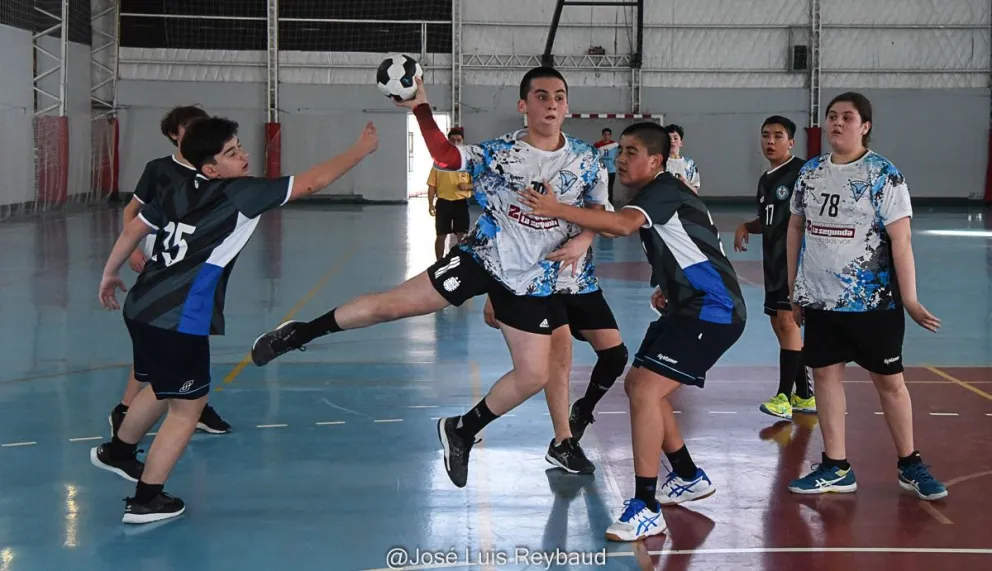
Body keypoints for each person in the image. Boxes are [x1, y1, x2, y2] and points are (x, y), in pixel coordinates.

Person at [249, 66, 612, 489]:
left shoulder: (586, 159)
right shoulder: (500, 152)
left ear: (568, 105)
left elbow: (600, 211)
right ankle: (297, 334)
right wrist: (422, 110)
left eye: (559, 96)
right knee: (391, 306)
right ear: (523, 105)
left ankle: (460, 430)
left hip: (532, 280)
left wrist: (585, 238)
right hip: (483, 259)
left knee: (534, 374)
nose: (551, 103)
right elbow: (446, 157)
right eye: (542, 95)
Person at [90, 117, 379, 523]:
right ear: (210, 169)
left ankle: (117, 452)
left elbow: (134, 229)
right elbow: (311, 182)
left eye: (239, 146)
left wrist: (108, 274)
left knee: (160, 385)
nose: (243, 155)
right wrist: (360, 150)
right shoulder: (241, 194)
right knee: (187, 410)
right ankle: (146, 500)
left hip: (140, 308)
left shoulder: (175, 187)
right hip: (178, 319)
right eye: (231, 153)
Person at [518, 121, 745, 542]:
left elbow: (619, 226)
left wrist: (556, 209)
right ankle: (687, 475)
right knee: (639, 384)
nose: (621, 159)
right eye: (619, 151)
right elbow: (687, 245)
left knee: (645, 391)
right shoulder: (659, 194)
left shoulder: (662, 190)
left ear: (655, 160)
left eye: (631, 152)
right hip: (688, 305)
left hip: (712, 311)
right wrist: (668, 287)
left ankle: (646, 506)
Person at [785, 92, 946, 500]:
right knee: (825, 377)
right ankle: (836, 466)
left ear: (865, 126)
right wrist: (794, 289)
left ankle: (909, 463)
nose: (838, 123)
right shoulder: (810, 173)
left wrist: (909, 299)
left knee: (890, 383)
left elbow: (902, 239)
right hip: (822, 301)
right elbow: (795, 230)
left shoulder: (883, 175)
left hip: (874, 304)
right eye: (833, 116)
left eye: (848, 117)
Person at [111, 105, 231, 437]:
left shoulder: (212, 168)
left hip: (195, 266)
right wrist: (134, 250)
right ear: (173, 134)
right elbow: (132, 211)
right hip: (162, 264)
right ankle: (124, 411)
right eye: (189, 127)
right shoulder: (159, 170)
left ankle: (195, 402)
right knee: (160, 341)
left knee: (189, 337)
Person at [481, 230, 629, 475]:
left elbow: (607, 225)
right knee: (560, 357)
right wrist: (493, 294)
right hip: (540, 287)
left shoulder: (590, 192)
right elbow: (503, 235)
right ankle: (562, 441)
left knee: (615, 356)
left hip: (582, 283)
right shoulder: (529, 194)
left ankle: (583, 410)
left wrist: (588, 234)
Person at [733, 116, 816, 420]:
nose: (770, 141)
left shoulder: (803, 173)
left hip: (795, 262)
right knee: (779, 325)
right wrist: (746, 226)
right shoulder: (767, 179)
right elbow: (769, 221)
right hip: (773, 262)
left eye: (778, 136)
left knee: (787, 322)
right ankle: (805, 396)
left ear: (791, 142)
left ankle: (783, 396)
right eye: (766, 135)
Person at [428, 127, 473, 260]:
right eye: (452, 140)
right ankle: (439, 262)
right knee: (441, 235)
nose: (455, 143)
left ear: (462, 141)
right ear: (448, 141)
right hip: (443, 203)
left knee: (462, 236)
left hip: (461, 203)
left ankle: (462, 262)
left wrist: (468, 186)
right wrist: (430, 204)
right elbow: (432, 186)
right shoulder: (439, 163)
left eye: (458, 140)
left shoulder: (468, 162)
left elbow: (479, 183)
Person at [664, 124, 700, 193]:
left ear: (681, 143)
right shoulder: (660, 163)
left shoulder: (690, 164)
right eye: (669, 139)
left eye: (675, 138)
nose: (672, 141)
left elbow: (695, 191)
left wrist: (683, 182)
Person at [594, 128, 618, 202]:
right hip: (601, 170)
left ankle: (610, 203)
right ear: (602, 135)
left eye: (608, 135)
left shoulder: (615, 145)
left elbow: (619, 155)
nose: (606, 136)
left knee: (610, 188)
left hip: (611, 170)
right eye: (605, 134)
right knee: (601, 188)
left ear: (610, 135)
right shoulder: (597, 145)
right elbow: (594, 156)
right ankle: (601, 204)